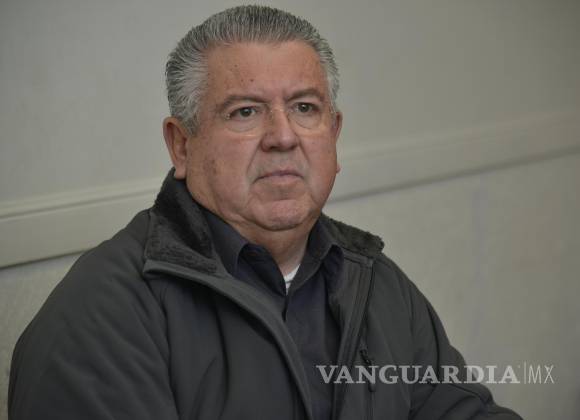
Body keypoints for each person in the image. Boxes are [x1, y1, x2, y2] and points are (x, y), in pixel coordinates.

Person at [8, 5, 522, 420]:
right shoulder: (101, 316)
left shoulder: (378, 284)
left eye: (304, 108)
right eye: (245, 111)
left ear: (334, 135)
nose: (282, 136)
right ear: (181, 145)